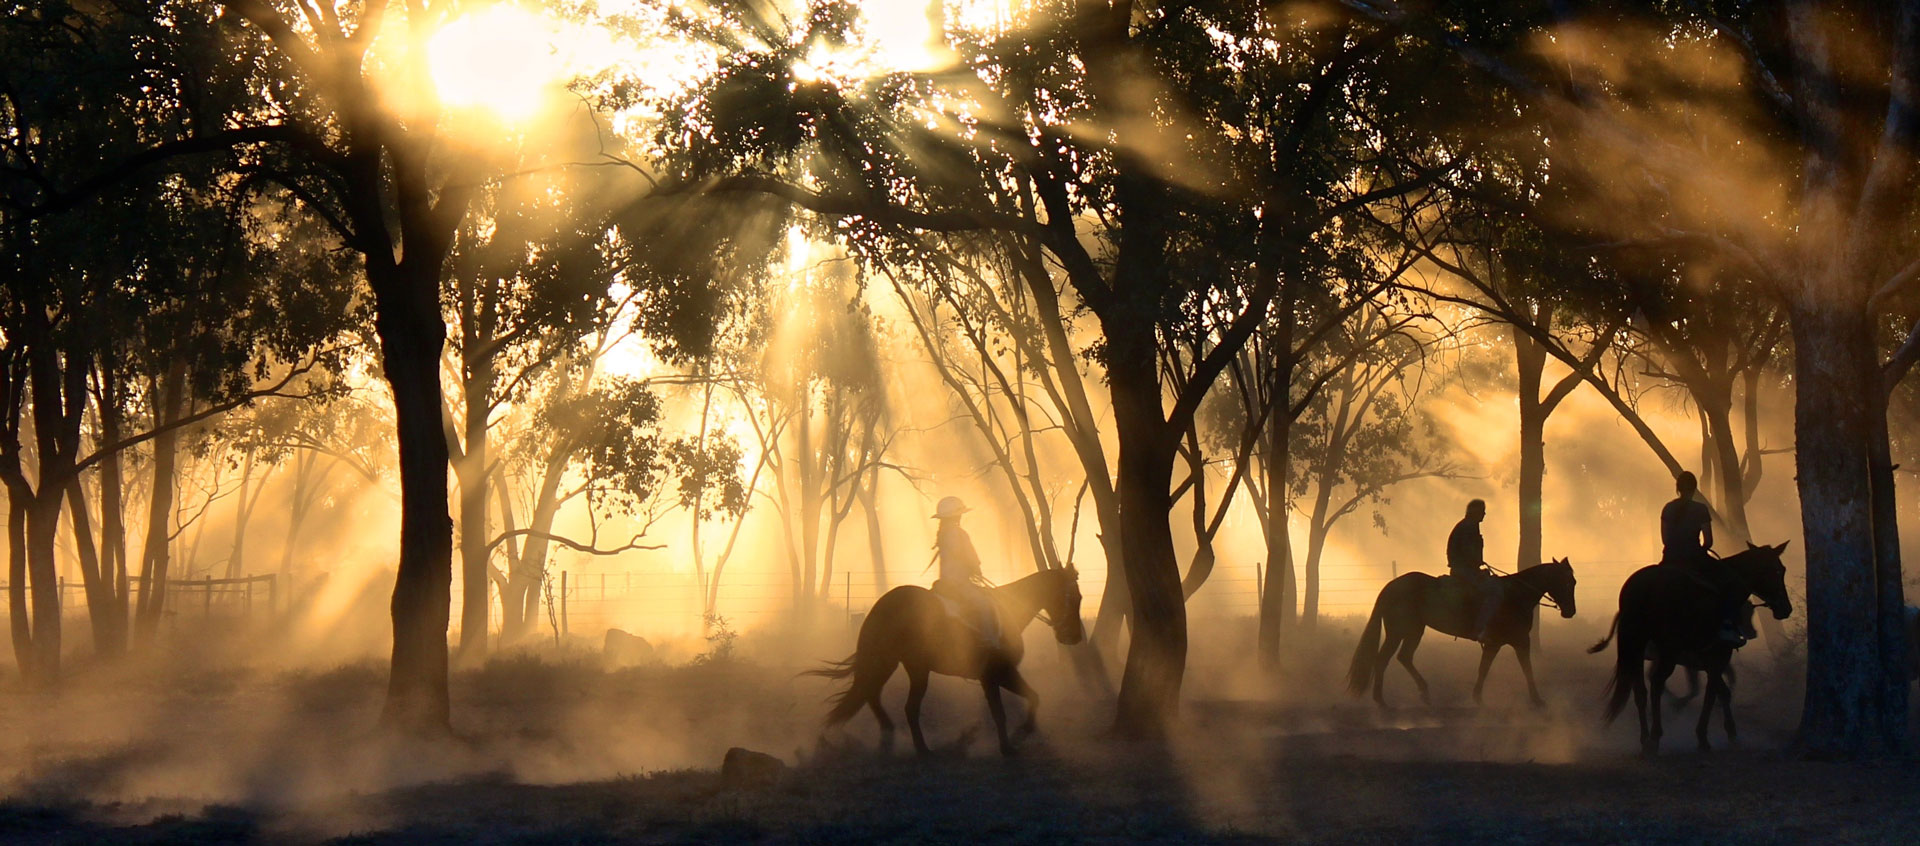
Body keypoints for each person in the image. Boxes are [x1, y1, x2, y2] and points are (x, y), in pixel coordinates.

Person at [1660, 471, 1744, 645]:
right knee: (1729, 581)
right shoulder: (1700, 509)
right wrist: (1699, 549)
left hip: (1670, 558)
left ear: (1678, 488)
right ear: (1694, 488)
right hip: (1694, 559)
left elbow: (1665, 540)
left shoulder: (1668, 508)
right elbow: (1708, 541)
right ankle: (1726, 627)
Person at [929, 496, 1000, 650]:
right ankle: (990, 642)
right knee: (985, 605)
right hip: (959, 583)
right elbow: (970, 557)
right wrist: (975, 569)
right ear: (956, 515)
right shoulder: (959, 533)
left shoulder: (942, 533)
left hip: (944, 582)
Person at [1448, 499, 1501, 641]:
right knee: (1495, 591)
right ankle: (1478, 629)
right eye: (1482, 511)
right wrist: (1477, 569)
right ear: (1475, 512)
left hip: (1465, 569)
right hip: (1463, 571)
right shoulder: (1468, 527)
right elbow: (1467, 553)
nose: (1484, 514)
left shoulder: (1468, 525)